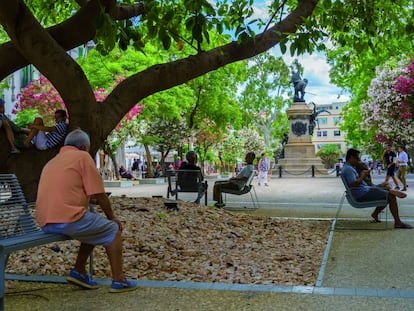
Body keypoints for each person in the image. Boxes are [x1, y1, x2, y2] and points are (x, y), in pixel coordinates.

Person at [36, 129, 138, 292]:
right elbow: (100, 194)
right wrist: (112, 217)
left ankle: (79, 271)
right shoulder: (82, 157)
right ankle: (119, 280)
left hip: (46, 221)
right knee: (112, 230)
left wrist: (90, 200)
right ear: (84, 147)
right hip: (67, 220)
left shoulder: (53, 161)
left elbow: (66, 190)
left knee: (93, 223)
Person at [341, 148, 411, 229]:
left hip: (365, 189)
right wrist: (362, 176)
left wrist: (365, 177)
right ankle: (398, 222)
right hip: (362, 193)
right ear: (351, 157)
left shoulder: (349, 167)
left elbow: (357, 183)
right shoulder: (348, 169)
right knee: (390, 197)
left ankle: (387, 192)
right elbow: (353, 184)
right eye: (357, 158)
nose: (359, 160)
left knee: (385, 185)